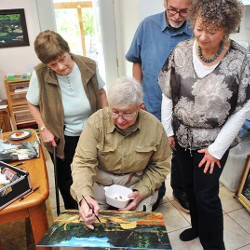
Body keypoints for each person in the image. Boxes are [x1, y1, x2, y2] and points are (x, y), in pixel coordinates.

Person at [158, 0, 250, 249]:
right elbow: (168, 94)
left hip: (214, 142)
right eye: (199, 28)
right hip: (181, 136)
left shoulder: (241, 59)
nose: (203, 36)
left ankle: (213, 245)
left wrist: (216, 150)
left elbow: (242, 110)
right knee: (189, 187)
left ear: (227, 28)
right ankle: (197, 227)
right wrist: (168, 131)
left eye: (212, 30)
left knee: (207, 195)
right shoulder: (181, 51)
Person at [70, 77, 171, 229]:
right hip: (100, 182)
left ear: (140, 107)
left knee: (136, 229)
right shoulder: (96, 122)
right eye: (115, 112)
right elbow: (83, 162)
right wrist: (85, 197)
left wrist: (141, 192)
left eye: (127, 113)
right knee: (93, 226)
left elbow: (160, 167)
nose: (120, 120)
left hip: (137, 182)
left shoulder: (155, 128)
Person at [26, 30, 107, 209]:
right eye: (53, 64)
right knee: (67, 180)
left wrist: (106, 118)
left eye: (63, 59)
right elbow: (32, 103)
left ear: (68, 50)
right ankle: (74, 215)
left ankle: (97, 209)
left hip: (92, 132)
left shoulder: (88, 65)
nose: (61, 67)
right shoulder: (40, 73)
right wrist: (43, 129)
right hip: (62, 137)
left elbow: (101, 92)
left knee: (97, 174)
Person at [126, 0, 192, 212]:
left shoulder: (195, 28)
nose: (177, 15)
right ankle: (157, 191)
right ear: (164, 3)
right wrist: (137, 95)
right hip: (152, 101)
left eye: (183, 11)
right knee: (153, 151)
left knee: (181, 151)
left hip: (184, 105)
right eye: (172, 9)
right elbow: (136, 60)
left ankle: (180, 191)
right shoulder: (147, 25)